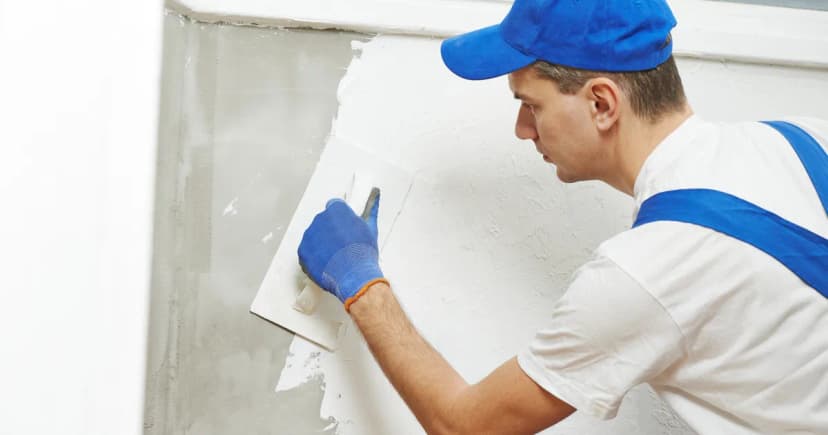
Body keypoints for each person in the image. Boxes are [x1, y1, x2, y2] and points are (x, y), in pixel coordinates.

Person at [297, 0, 828, 433]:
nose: (522, 129)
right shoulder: (806, 140)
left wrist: (361, 282)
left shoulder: (646, 274)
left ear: (602, 103)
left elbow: (464, 428)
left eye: (532, 104)